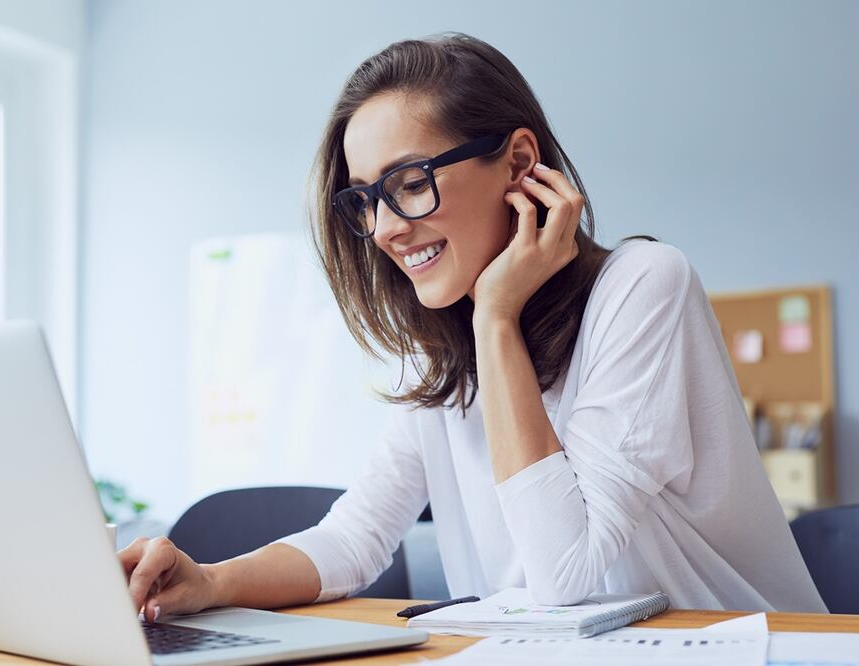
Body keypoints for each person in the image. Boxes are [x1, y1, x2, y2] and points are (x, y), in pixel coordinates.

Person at [117, 32, 827, 622]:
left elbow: (565, 574)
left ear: (518, 162)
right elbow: (355, 538)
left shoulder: (644, 285)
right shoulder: (439, 355)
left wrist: (496, 316)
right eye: (366, 200)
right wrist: (209, 581)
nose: (387, 229)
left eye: (410, 181)